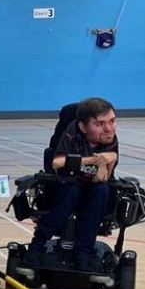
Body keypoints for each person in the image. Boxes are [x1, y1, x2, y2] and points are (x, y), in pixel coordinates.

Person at [24, 97, 119, 272]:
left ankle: (83, 253)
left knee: (101, 190)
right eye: (99, 124)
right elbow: (57, 163)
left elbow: (107, 175)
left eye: (112, 121)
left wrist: (111, 158)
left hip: (92, 191)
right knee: (72, 190)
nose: (108, 128)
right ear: (83, 127)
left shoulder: (109, 138)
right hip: (66, 186)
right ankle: (37, 245)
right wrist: (95, 160)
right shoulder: (72, 133)